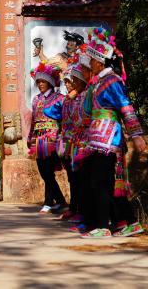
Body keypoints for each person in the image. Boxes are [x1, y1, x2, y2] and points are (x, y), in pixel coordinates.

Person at [77, 27, 146, 239]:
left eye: (91, 60)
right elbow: (87, 113)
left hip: (109, 138)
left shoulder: (112, 81)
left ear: (99, 62)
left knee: (101, 181)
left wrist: (136, 135)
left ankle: (103, 226)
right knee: (106, 181)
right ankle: (129, 222)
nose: (89, 63)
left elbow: (126, 107)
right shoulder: (97, 84)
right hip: (97, 138)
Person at [27, 62, 67, 214]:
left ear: (50, 81)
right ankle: (61, 201)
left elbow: (64, 118)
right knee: (43, 171)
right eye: (38, 82)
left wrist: (62, 136)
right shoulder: (36, 99)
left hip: (52, 137)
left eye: (43, 81)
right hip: (38, 138)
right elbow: (33, 120)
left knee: (49, 170)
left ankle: (49, 201)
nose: (40, 84)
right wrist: (30, 137)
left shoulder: (59, 98)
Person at [56, 64, 88, 225]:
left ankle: (81, 210)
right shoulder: (66, 99)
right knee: (72, 177)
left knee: (79, 177)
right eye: (67, 82)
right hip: (68, 142)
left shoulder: (81, 97)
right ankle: (73, 207)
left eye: (71, 81)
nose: (68, 84)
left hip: (80, 141)